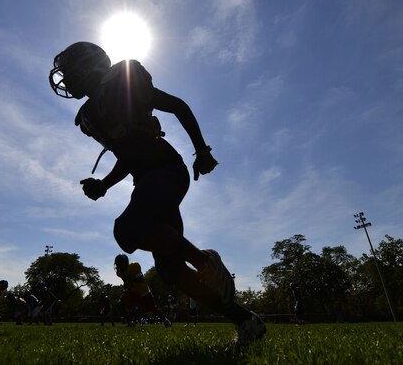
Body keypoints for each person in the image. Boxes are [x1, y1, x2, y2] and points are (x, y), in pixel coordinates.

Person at [49, 42, 265, 344]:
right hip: (148, 180)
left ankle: (205, 261)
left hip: (166, 170)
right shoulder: (92, 114)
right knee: (170, 270)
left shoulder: (121, 80)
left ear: (89, 65)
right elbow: (127, 156)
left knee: (125, 231)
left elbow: (177, 105)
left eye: (69, 70)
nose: (65, 79)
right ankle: (245, 321)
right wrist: (104, 185)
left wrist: (201, 150)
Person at [114, 254, 170, 327]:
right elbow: (126, 282)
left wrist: (131, 279)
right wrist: (126, 284)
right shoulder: (119, 272)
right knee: (120, 304)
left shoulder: (134, 266)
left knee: (153, 309)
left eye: (119, 264)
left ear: (124, 263)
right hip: (133, 292)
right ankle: (130, 322)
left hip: (143, 292)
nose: (118, 267)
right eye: (117, 265)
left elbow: (141, 279)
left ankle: (165, 320)